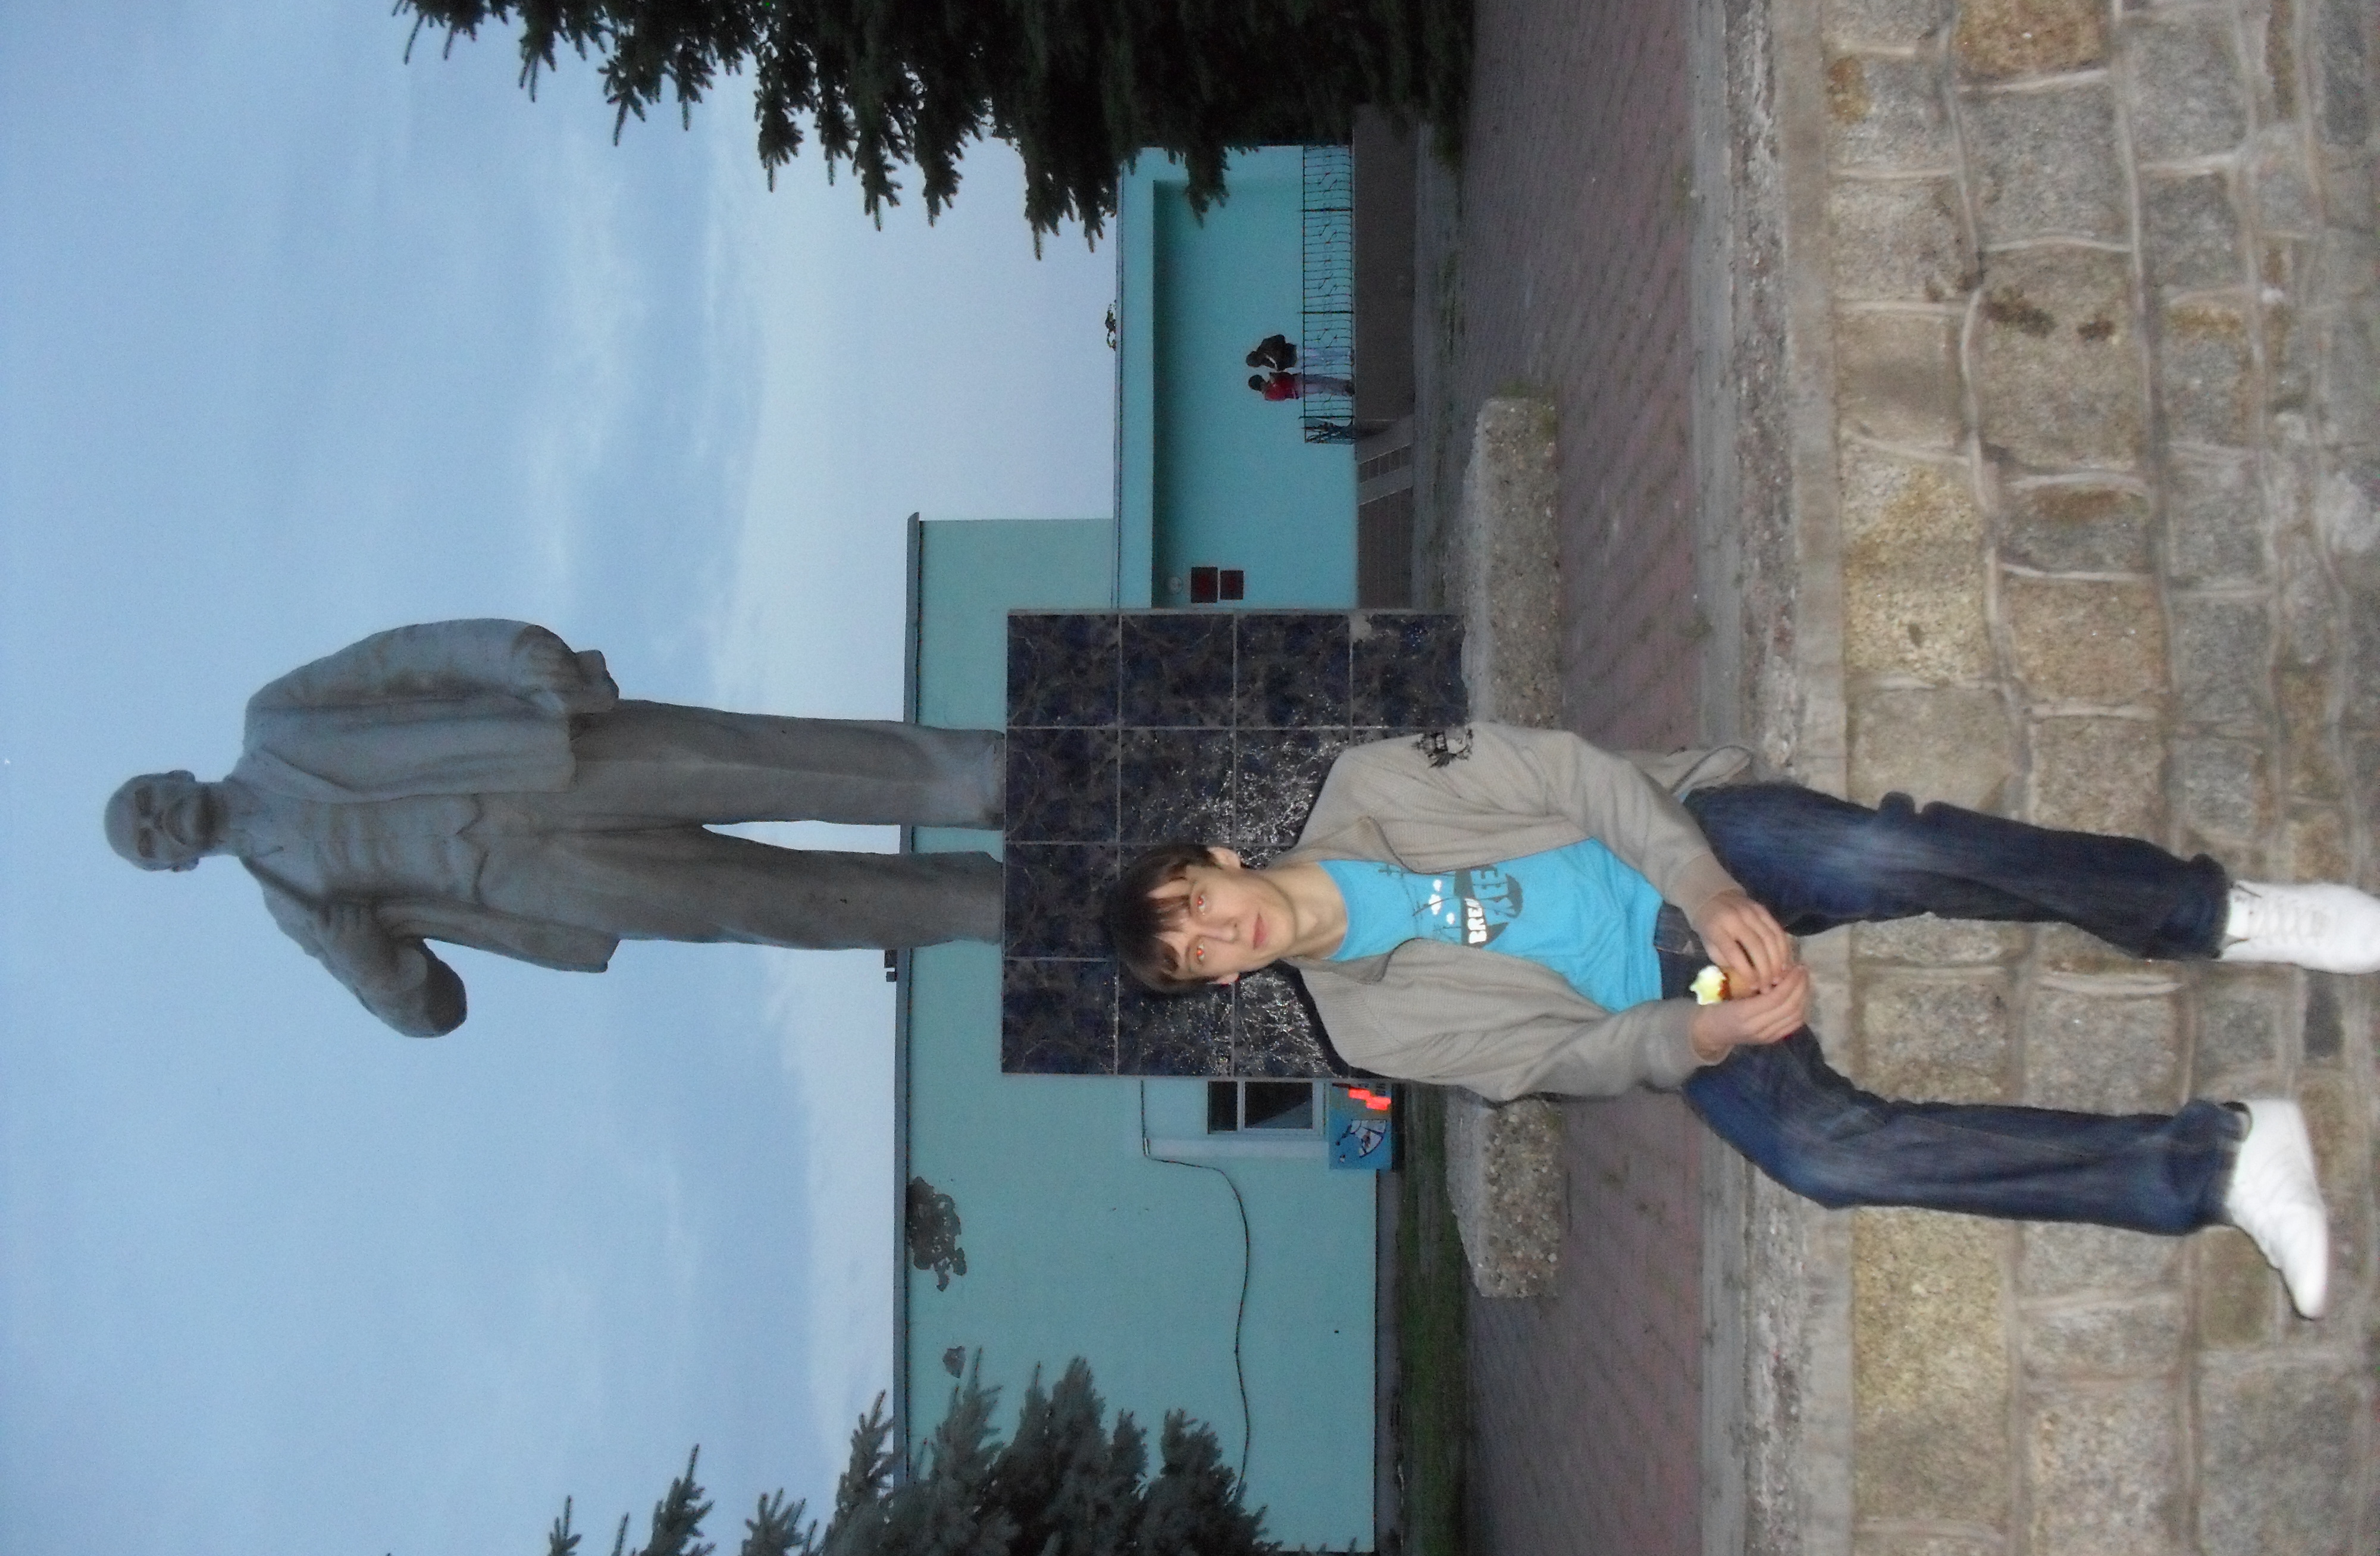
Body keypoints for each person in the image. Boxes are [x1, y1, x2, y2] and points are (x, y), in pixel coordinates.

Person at [1105, 723, 2365, 1318]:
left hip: (1687, 845)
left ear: (1221, 859)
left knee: (1877, 857)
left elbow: (1572, 772)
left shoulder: (1373, 783)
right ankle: (2219, 1163)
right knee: (1821, 1154)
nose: (1220, 934)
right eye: (1196, 957)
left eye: (1198, 904)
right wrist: (1699, 1039)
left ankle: (2218, 914)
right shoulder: (1366, 1033)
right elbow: (1555, 1059)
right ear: (1218, 988)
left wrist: (1705, 890)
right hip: (1671, 1002)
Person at [105, 619, 1005, 1038]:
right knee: (779, 906)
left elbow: (400, 661)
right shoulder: (297, 911)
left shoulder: (276, 719)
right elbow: (436, 1015)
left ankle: (973, 779)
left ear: (171, 774)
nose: (158, 822)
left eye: (148, 800)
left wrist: (513, 655)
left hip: (550, 762)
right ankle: (975, 905)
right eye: (149, 840)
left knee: (766, 762)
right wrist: (375, 972)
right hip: (548, 884)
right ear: (174, 867)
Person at [1248, 369, 1356, 401]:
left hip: (1296, 379)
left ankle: (1345, 383)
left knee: (1322, 379)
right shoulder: (1268, 395)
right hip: (1296, 390)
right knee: (1321, 387)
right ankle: (1345, 391)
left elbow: (1284, 376)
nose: (1264, 382)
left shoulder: (1270, 384)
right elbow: (1280, 393)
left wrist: (1277, 376)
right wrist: (1274, 382)